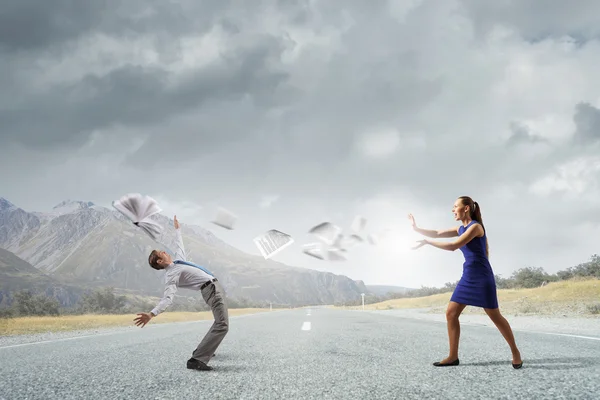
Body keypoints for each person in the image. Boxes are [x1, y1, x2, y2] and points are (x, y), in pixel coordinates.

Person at [409, 196, 523, 369]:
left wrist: (427, 242)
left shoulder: (475, 227)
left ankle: (515, 352)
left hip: (482, 277)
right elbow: (438, 233)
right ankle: (453, 356)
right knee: (451, 313)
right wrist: (416, 229)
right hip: (468, 276)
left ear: (466, 208)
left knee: (495, 316)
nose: (452, 209)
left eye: (455, 206)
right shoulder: (461, 228)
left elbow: (453, 246)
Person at [133, 215, 229, 371]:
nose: (164, 251)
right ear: (159, 261)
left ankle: (204, 351)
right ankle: (196, 359)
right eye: (161, 252)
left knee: (219, 322)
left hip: (214, 287)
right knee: (222, 324)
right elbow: (167, 298)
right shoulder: (171, 275)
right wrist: (151, 314)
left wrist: (177, 229)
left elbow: (180, 246)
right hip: (210, 290)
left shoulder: (178, 262)